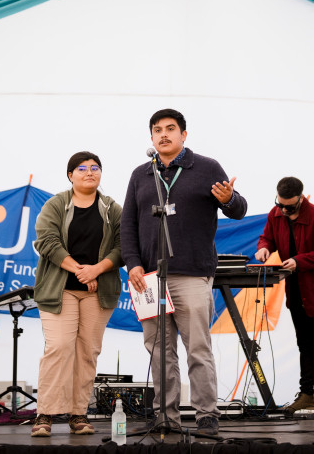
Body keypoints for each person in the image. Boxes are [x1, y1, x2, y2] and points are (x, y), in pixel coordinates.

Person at [121, 108, 247, 436]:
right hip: (148, 278)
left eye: (171, 129)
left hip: (191, 273)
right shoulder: (140, 174)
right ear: (151, 137)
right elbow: (127, 225)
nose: (164, 134)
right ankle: (166, 417)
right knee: (160, 353)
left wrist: (230, 198)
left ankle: (207, 415)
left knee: (197, 349)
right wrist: (133, 263)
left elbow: (238, 210)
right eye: (157, 130)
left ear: (184, 135)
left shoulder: (206, 168)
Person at [31, 151, 123, 437]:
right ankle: (44, 414)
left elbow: (123, 247)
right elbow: (46, 241)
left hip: (98, 291)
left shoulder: (112, 208)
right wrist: (80, 270)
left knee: (87, 352)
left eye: (95, 168)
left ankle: (78, 414)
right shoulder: (55, 204)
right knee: (59, 347)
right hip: (60, 290)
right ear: (70, 175)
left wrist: (95, 271)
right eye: (82, 168)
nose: (89, 172)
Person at [255, 176, 314, 415]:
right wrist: (264, 246)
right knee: (304, 344)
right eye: (280, 204)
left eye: (289, 207)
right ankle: (306, 395)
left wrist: (298, 261)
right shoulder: (276, 214)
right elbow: (268, 237)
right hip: (296, 291)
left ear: (301, 199)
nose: (283, 210)